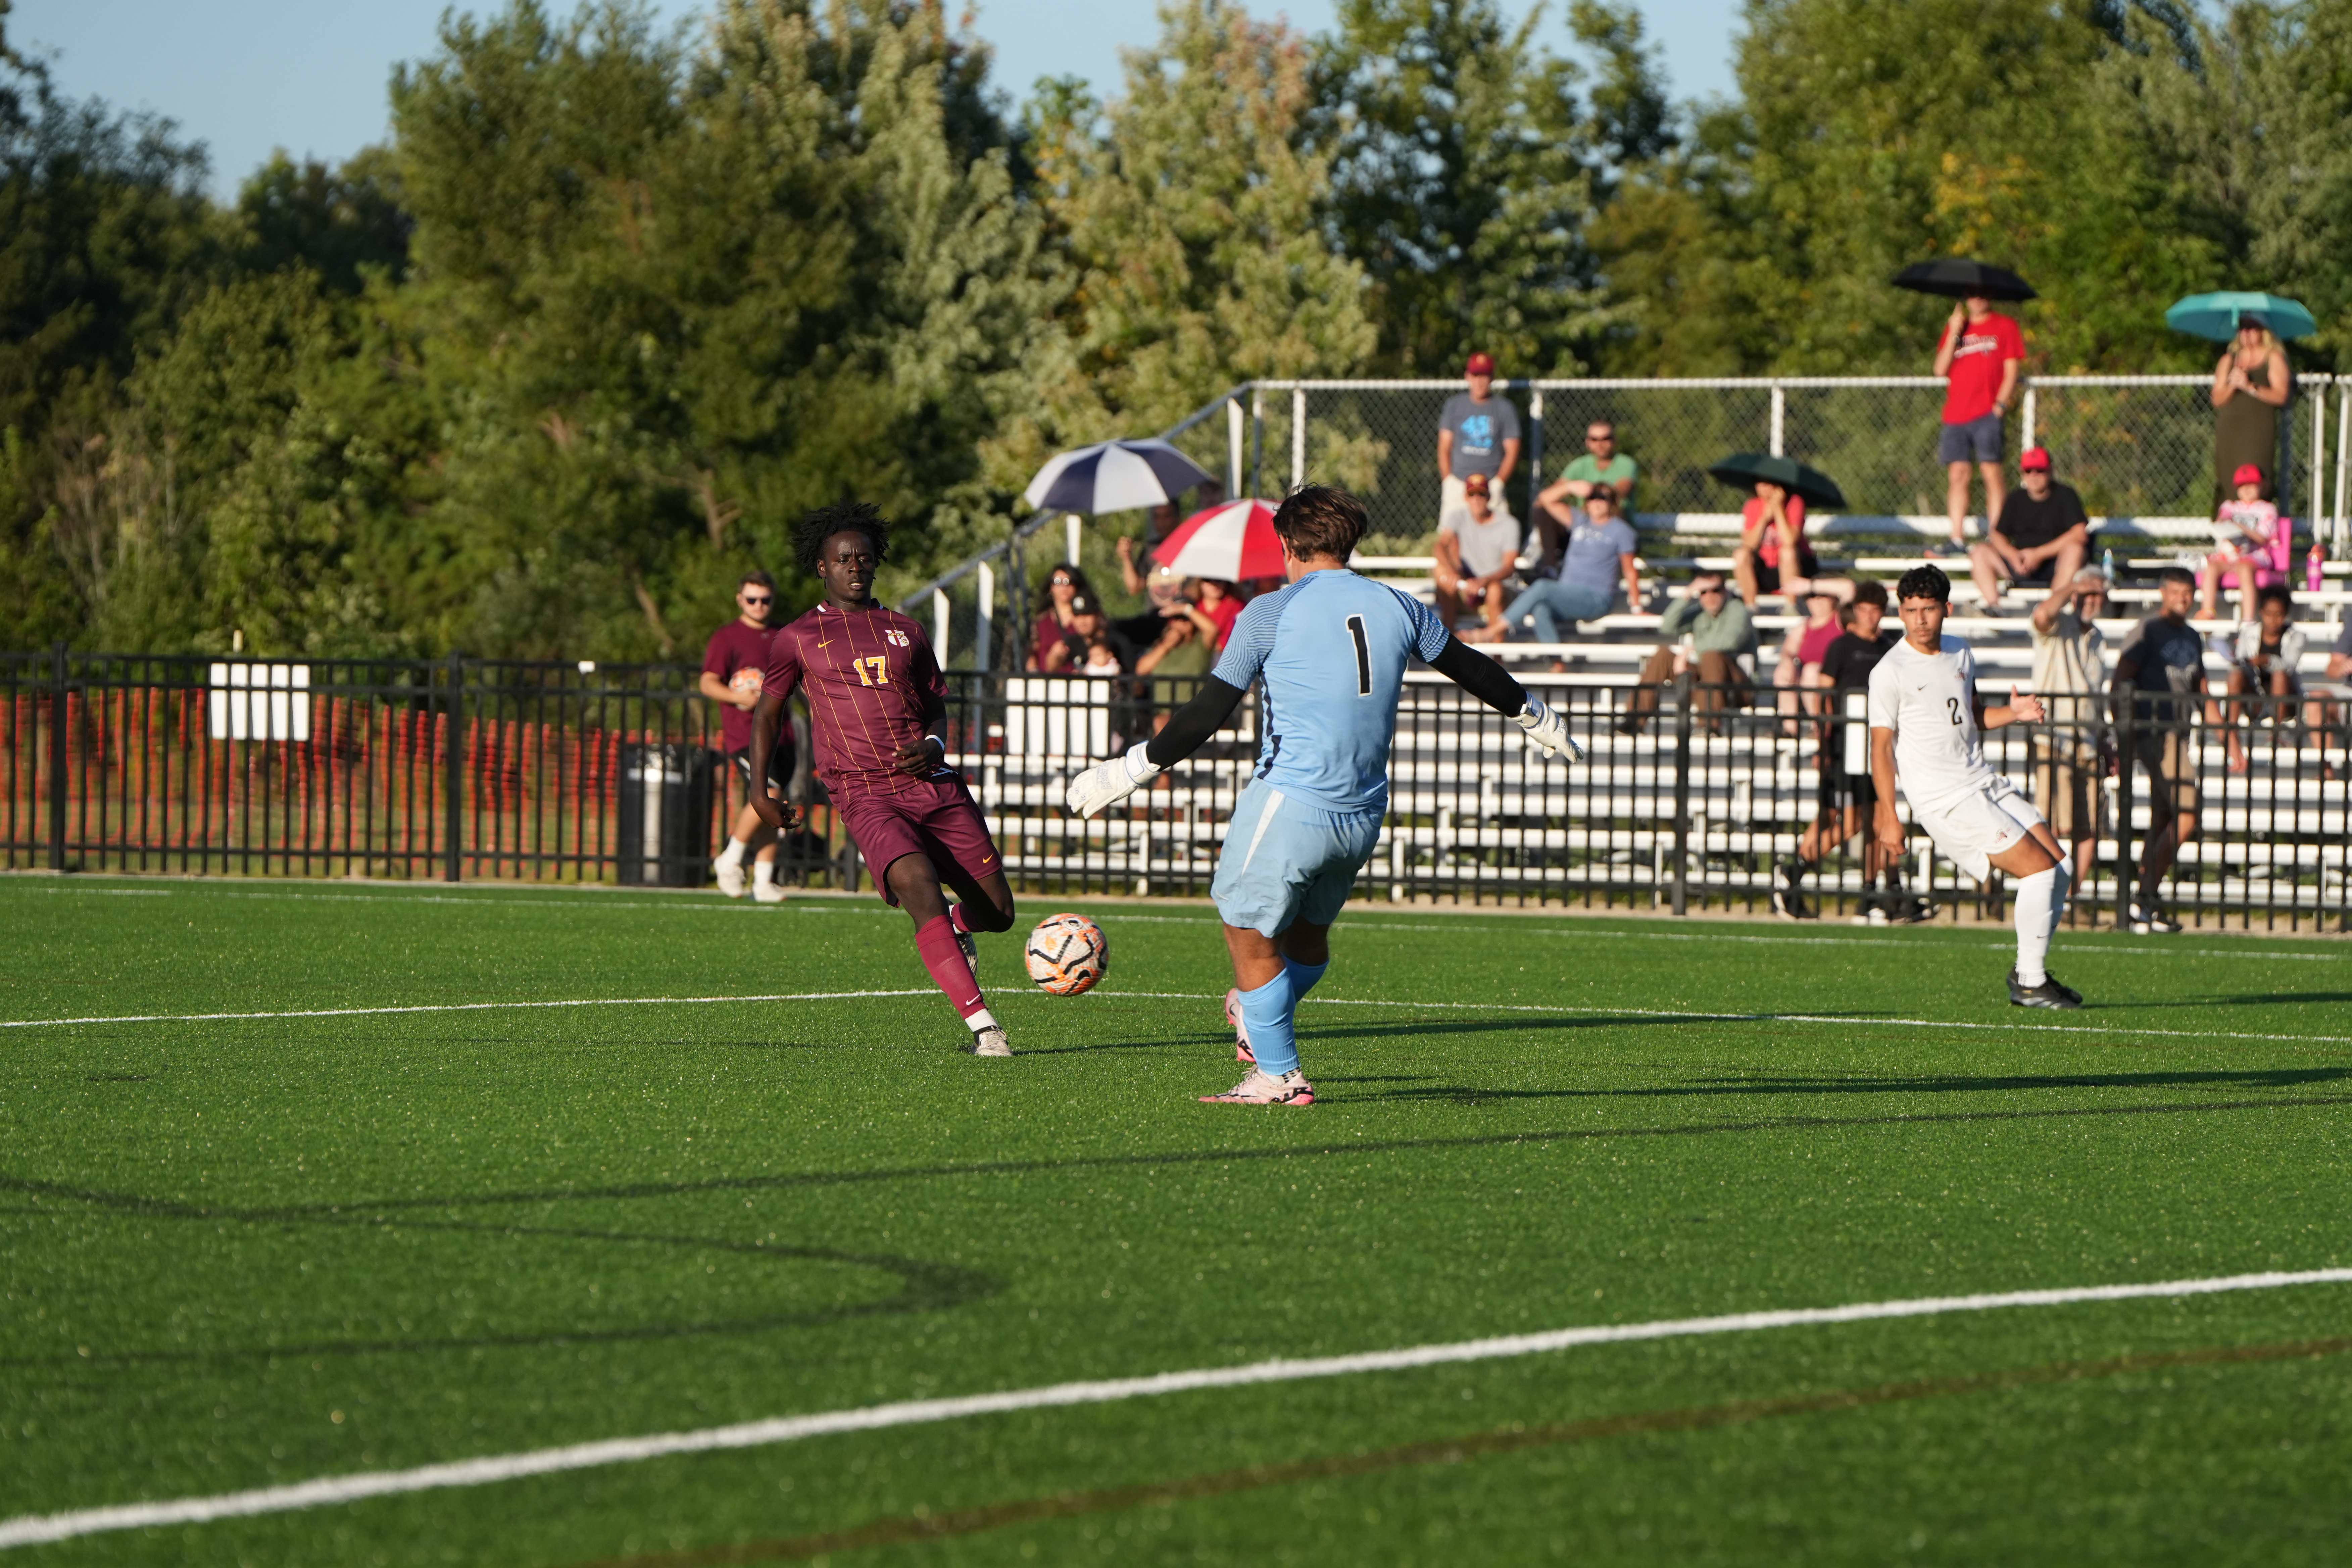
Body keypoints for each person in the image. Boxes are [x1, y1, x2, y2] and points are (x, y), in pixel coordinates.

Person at [1063, 484, 1581, 1106]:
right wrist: (1532, 713)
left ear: (1287, 544)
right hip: (1362, 812)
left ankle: (1277, 1074)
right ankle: (1260, 1015)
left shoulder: (1268, 612)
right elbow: (1469, 666)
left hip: (1291, 801)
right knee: (1305, 940)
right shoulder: (1401, 604)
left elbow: (1208, 711)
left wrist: (1127, 771)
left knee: (1247, 934)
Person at [748, 502, 1019, 1057]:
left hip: (935, 786)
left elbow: (937, 706)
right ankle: (984, 1028)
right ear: (822, 567)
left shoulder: (906, 630)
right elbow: (768, 714)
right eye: (843, 559)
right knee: (917, 883)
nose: (855, 567)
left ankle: (958, 926)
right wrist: (759, 792)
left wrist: (934, 743)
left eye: (864, 558)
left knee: (999, 913)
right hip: (864, 792)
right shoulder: (797, 637)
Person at [1869, 564, 2079, 1007]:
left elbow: (1972, 717)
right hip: (1946, 798)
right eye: (1910, 611)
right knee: (2038, 871)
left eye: (1928, 609)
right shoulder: (1889, 671)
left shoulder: (1961, 653)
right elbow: (1881, 748)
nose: (1920, 620)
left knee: (2061, 867)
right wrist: (1889, 814)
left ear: (1946, 609)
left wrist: (2015, 713)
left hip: (1981, 781)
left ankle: (2029, 973)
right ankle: (2030, 980)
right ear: (1901, 613)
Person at [1774, 581, 1910, 921]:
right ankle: (1794, 871)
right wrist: (1823, 741)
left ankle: (1872, 892)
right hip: (1844, 747)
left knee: (1878, 820)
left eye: (1875, 609)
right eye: (1864, 609)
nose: (1870, 616)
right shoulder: (1841, 647)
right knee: (1848, 822)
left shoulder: (1889, 648)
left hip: (1878, 748)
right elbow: (1825, 697)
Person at [2111, 566, 2206, 935]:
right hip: (2154, 730)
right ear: (2164, 593)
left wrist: (2231, 741)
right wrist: (2123, 733)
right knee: (2187, 812)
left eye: (2188, 592)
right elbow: (2121, 680)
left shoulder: (2193, 636)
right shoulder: (2148, 629)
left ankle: (2145, 901)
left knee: (2165, 820)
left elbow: (2201, 688)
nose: (2183, 598)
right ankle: (2144, 896)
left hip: (2179, 732)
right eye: (2177, 591)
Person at [700, 570, 788, 902]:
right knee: (768, 792)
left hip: (782, 732)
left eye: (765, 600)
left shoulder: (783, 634)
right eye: (752, 599)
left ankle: (763, 881)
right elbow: (708, 682)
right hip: (746, 734)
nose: (758, 605)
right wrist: (739, 697)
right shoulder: (727, 637)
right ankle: (731, 857)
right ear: (740, 599)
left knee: (772, 804)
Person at [2027, 566, 2109, 894]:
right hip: (2055, 737)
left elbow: (2096, 693)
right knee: (2051, 824)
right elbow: (2043, 614)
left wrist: (2105, 739)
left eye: (2097, 594)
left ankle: (2071, 897)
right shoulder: (2059, 625)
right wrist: (2073, 584)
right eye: (2085, 594)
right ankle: (2048, 891)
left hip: (2088, 738)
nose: (2091, 600)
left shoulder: (2099, 636)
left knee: (2090, 823)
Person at [1487, 484, 1641, 647]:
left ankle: (1493, 631)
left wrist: (1637, 608)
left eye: (1603, 498)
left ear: (1613, 503)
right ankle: (1557, 662)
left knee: (1542, 587)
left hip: (1596, 598)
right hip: (1568, 594)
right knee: (1541, 609)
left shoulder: (1621, 531)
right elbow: (1545, 499)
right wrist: (1570, 487)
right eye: (1593, 497)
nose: (1597, 502)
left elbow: (1630, 571)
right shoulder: (1580, 521)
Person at [1930, 294, 2025, 556]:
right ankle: (1957, 538)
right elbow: (1940, 369)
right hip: (1955, 415)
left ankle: (1997, 536)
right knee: (1958, 475)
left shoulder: (2004, 326)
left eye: (1981, 293)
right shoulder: (1958, 329)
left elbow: (2012, 369)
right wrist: (1953, 331)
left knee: (1991, 473)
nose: (1976, 299)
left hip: (1987, 413)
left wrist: (2000, 405)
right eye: (1971, 294)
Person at [1619, 570, 1757, 735]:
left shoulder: (1738, 609)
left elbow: (1729, 642)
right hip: (1706, 684)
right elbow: (1667, 627)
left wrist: (1689, 652)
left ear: (1725, 591)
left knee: (1712, 657)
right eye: (1703, 592)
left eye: (1716, 590)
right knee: (1664, 655)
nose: (1710, 596)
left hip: (1737, 687)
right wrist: (1687, 594)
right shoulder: (1700, 612)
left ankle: (1709, 725)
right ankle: (1634, 720)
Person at [1969, 446, 2090, 615]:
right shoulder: (2016, 499)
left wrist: (2038, 555)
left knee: (2076, 551)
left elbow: (2080, 533)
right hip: (2020, 564)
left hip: (2055, 564)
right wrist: (2013, 555)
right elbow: (1997, 534)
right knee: (1979, 552)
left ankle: (2051, 611)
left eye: (2039, 470)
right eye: (2028, 471)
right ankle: (1994, 608)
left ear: (2050, 471)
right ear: (2022, 473)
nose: (2034, 475)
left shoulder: (2065, 495)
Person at [2213, 584, 2306, 773]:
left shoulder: (2296, 636)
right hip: (2256, 699)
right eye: (2269, 614)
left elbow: (2290, 665)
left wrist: (2266, 660)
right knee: (2235, 676)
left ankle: (2277, 731)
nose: (2273, 620)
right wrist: (2241, 662)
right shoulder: (2249, 633)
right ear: (2261, 613)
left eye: (2279, 614)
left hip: (2286, 703)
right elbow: (2240, 664)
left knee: (2280, 675)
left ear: (2286, 614)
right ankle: (2232, 732)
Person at [1436, 351, 1520, 537]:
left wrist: (1499, 482)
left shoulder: (1504, 408)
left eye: (1484, 375)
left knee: (1499, 534)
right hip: (1458, 484)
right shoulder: (1454, 405)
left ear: (1492, 378)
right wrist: (1448, 480)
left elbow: (1513, 450)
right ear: (1468, 377)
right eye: (1476, 375)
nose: (1480, 381)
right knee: (1449, 537)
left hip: (1490, 486)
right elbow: (1444, 446)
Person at [2211, 315, 2290, 507]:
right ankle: (2229, 526)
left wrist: (2250, 387)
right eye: (2243, 328)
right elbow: (2217, 399)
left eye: (2252, 328)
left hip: (2258, 429)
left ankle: (2259, 528)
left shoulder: (2273, 357)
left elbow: (2281, 395)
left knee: (2256, 478)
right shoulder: (2229, 360)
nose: (2246, 333)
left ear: (2263, 331)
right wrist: (2233, 385)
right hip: (2231, 430)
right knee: (2229, 479)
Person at [1732, 481, 1848, 606]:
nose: (1761, 487)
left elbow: (1789, 540)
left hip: (1795, 566)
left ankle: (1791, 606)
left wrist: (1778, 510)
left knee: (1787, 552)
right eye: (1759, 482)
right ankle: (1751, 607)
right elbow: (1749, 544)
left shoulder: (1795, 502)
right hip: (1766, 568)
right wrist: (1765, 518)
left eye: (1767, 483)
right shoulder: (1753, 505)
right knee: (1741, 554)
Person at [1432, 472, 1520, 636]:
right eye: (1473, 494)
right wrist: (1452, 571)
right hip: (1468, 587)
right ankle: (1448, 644)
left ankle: (1498, 657)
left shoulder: (1509, 524)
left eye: (1482, 494)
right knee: (1441, 572)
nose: (1477, 499)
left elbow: (1509, 567)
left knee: (1495, 590)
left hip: (1497, 589)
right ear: (1466, 497)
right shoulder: (1457, 517)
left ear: (1490, 497)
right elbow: (1440, 546)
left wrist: (1483, 581)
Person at [2200, 463, 2284, 622]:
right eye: (2242, 485)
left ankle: (2248, 620)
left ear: (2262, 486)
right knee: (2211, 567)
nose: (2247, 489)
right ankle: (2208, 613)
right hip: (2230, 554)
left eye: (2252, 484)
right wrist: (2223, 524)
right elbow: (2221, 523)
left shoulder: (2268, 509)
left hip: (2255, 555)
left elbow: (2262, 538)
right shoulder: (2230, 506)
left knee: (2244, 569)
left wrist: (2241, 528)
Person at [1772, 587, 1843, 736]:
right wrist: (1788, 663)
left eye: (1823, 596)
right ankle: (1790, 729)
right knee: (1783, 673)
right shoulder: (1803, 626)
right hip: (1806, 680)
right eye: (1812, 597)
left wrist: (1811, 584)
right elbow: (1788, 651)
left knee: (1812, 671)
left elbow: (1849, 589)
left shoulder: (1840, 620)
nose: (1817, 601)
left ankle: (1818, 726)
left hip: (1833, 678)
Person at [1028, 564, 1101, 671]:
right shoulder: (1041, 620)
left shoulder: (1089, 617)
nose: (1063, 587)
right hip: (1045, 682)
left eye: (1068, 582)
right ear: (1051, 587)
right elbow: (1032, 650)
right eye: (1057, 582)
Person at [1554, 420, 1636, 508]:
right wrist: (1569, 487)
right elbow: (1554, 492)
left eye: (1606, 439)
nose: (1600, 444)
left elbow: (1622, 489)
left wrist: (1591, 492)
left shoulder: (1626, 464)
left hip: (1616, 519)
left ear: (1614, 440)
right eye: (1594, 439)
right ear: (1587, 442)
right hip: (1586, 520)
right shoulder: (1580, 464)